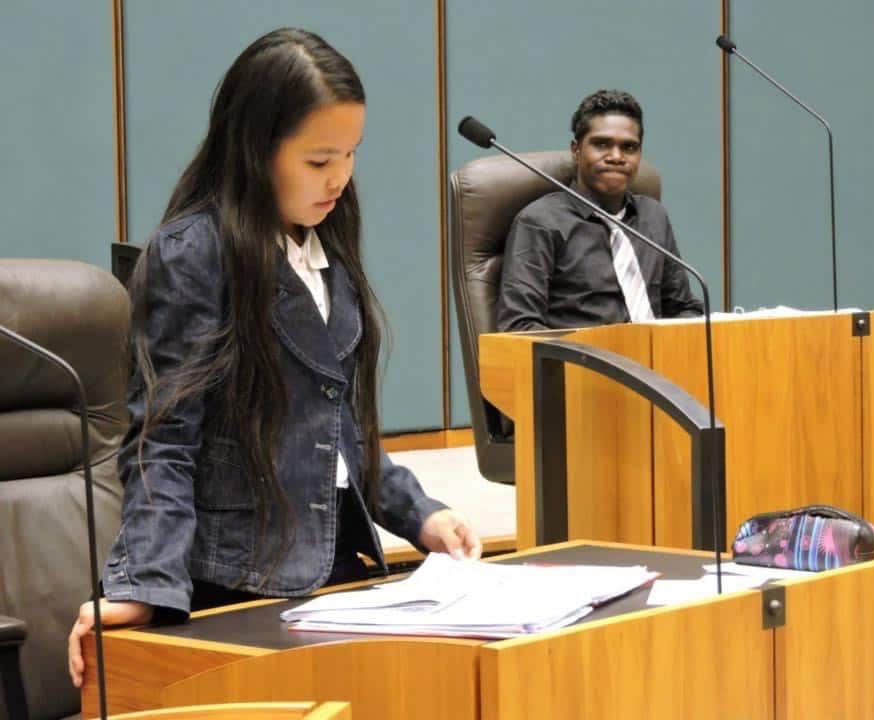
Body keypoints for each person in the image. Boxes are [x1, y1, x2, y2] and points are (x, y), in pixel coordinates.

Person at [68, 28, 480, 686]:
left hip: (337, 569)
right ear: (257, 148)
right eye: (319, 161)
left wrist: (418, 511)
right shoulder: (192, 254)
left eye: (350, 155)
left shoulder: (325, 239)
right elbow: (163, 439)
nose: (339, 179)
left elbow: (335, 419)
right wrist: (141, 583)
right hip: (239, 583)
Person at [497, 89, 703, 331]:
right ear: (576, 150)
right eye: (601, 144)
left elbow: (684, 308)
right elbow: (518, 327)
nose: (616, 157)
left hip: (656, 362)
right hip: (584, 363)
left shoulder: (653, 216)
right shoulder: (540, 222)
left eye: (629, 147)